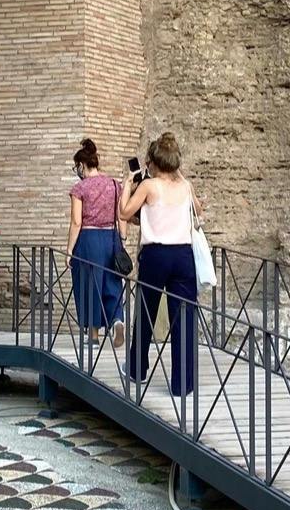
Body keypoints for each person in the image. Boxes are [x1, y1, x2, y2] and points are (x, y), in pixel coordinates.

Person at [120, 132, 199, 398]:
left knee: (145, 313)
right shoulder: (186, 186)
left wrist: (126, 185)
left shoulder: (149, 186)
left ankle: (136, 369)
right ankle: (182, 384)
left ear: (153, 162)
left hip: (156, 255)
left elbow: (124, 212)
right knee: (184, 317)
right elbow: (197, 210)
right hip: (184, 255)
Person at [66, 139, 124, 345]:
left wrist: (69, 249)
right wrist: (122, 239)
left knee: (90, 284)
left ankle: (93, 335)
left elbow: (76, 221)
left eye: (76, 167)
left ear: (82, 165)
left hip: (89, 239)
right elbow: (121, 216)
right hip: (112, 238)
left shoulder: (80, 188)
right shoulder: (115, 185)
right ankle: (117, 320)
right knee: (112, 282)